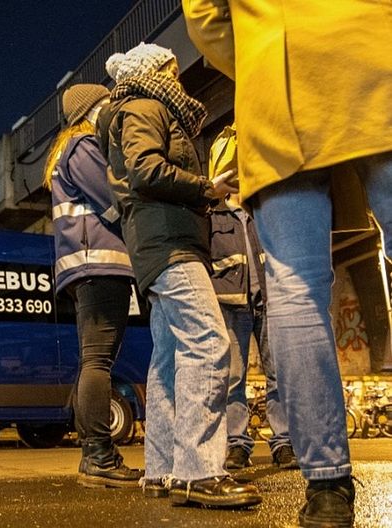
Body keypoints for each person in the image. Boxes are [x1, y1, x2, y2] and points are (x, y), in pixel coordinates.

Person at [183, 2, 392, 526]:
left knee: (296, 292)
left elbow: (206, 17)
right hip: (376, 57)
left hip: (279, 87)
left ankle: (328, 488)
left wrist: (260, 55)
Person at [95, 42, 261, 508]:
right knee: (209, 344)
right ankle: (200, 470)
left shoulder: (134, 108)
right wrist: (207, 188)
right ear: (156, 71)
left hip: (157, 245)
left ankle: (163, 468)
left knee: (167, 357)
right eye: (172, 68)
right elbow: (147, 170)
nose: (178, 77)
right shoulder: (147, 106)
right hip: (170, 244)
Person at [44, 83, 142, 488]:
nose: (110, 112)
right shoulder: (83, 145)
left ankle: (95, 455)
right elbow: (114, 198)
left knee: (95, 360)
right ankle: (99, 455)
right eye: (104, 105)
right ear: (88, 111)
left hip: (89, 266)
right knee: (98, 361)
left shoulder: (67, 150)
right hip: (99, 263)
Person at [209, 192, 298, 471]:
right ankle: (237, 444)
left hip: (270, 300)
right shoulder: (214, 212)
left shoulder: (261, 207)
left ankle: (283, 442)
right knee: (234, 379)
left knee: (279, 376)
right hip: (231, 302)